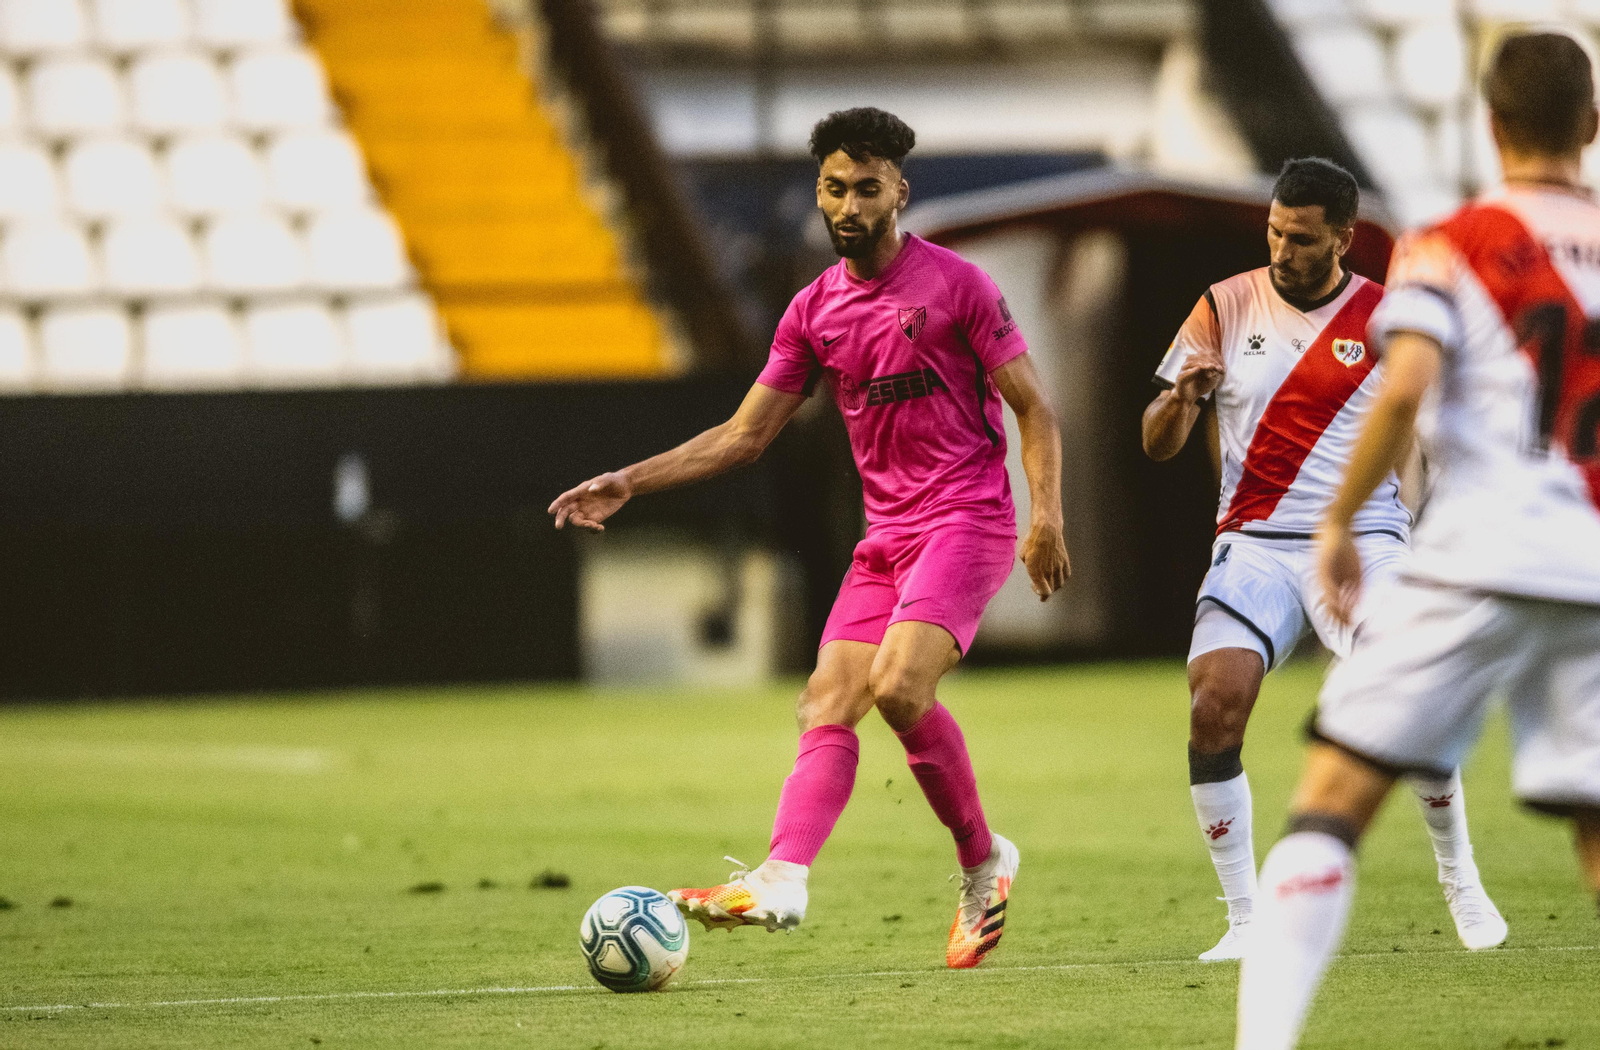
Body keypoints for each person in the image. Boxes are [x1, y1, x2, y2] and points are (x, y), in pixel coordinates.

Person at [548, 107, 1069, 969]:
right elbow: (742, 436)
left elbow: (1034, 406)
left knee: (899, 688)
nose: (849, 206)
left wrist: (1046, 515)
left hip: (969, 521)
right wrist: (630, 481)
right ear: (819, 193)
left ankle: (984, 865)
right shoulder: (813, 310)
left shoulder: (959, 288)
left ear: (900, 190)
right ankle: (783, 876)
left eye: (868, 189)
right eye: (835, 188)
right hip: (887, 538)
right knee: (827, 701)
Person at [1235, 31, 1600, 1049]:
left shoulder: (1448, 242)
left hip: (1478, 556)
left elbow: (1402, 389)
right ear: (1593, 126)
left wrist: (1343, 518)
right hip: (1592, 571)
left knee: (1332, 800)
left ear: (1490, 126)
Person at [1143, 157, 1505, 961]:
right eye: (1274, 231)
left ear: (1342, 237)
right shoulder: (1224, 305)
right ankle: (1243, 919)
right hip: (1253, 545)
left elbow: (1442, 424)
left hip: (1363, 540)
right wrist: (1182, 399)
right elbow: (1157, 444)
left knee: (1407, 706)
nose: (1282, 249)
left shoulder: (1388, 315)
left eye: (1301, 239)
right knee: (1213, 704)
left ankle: (1462, 880)